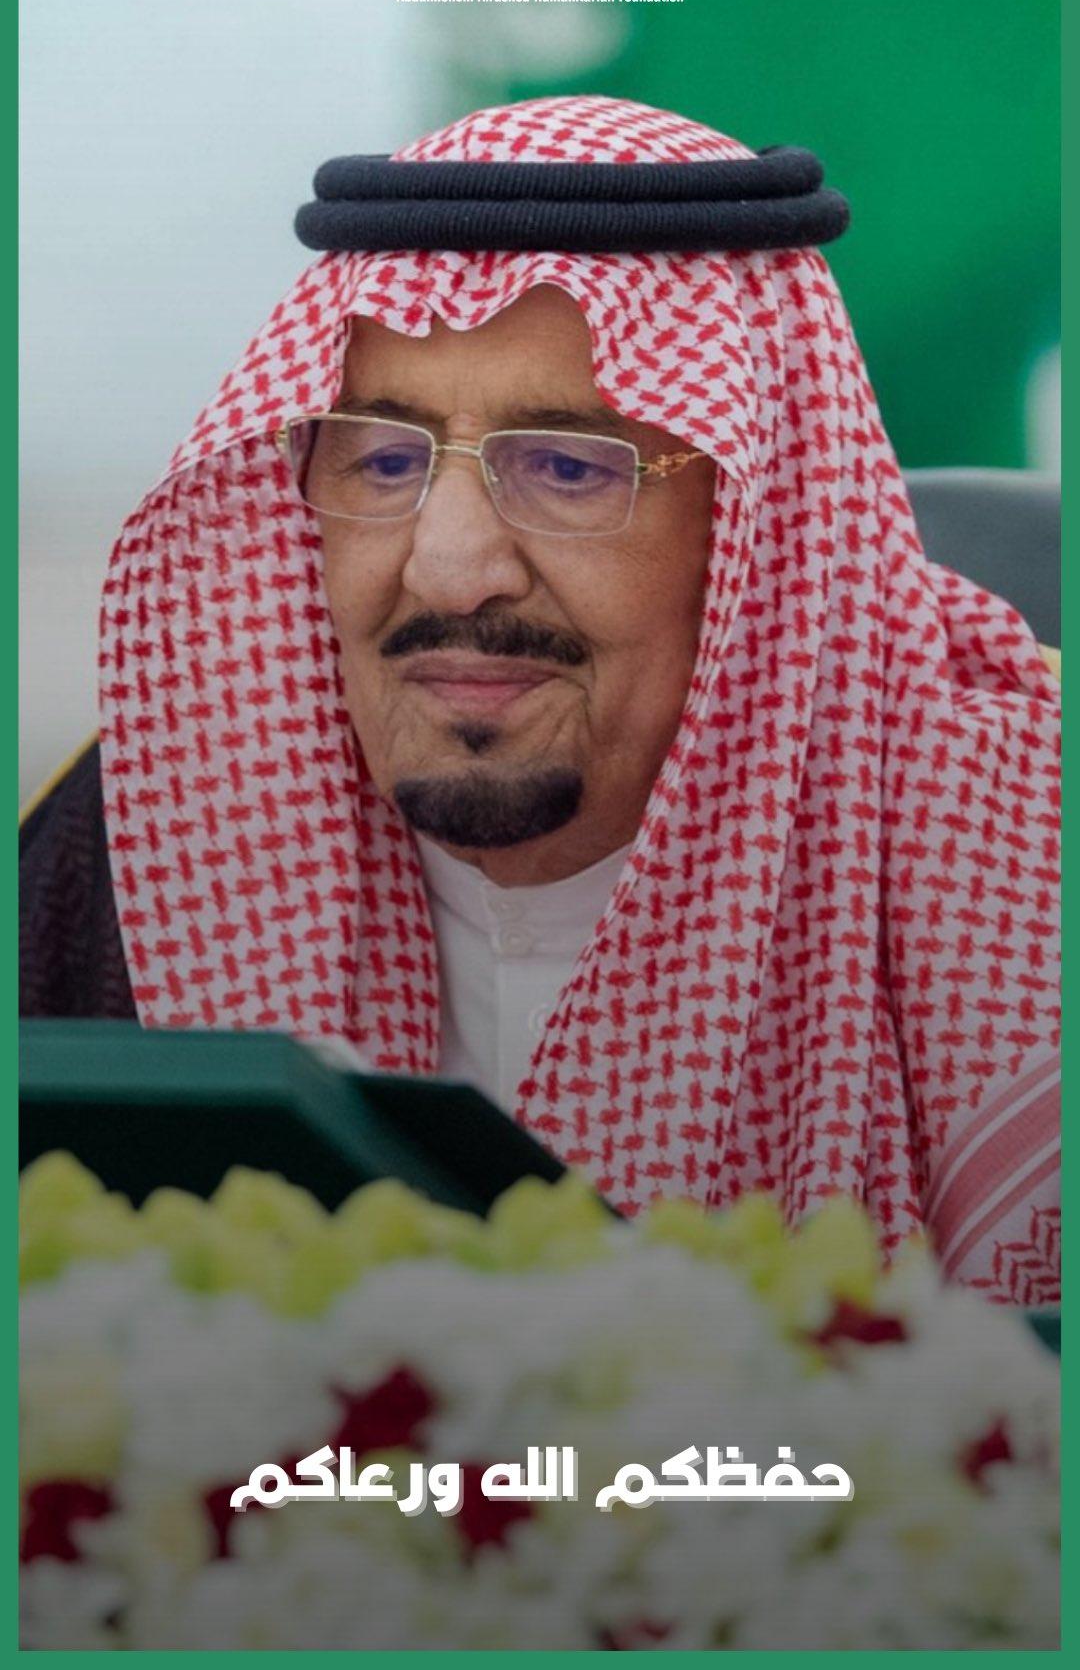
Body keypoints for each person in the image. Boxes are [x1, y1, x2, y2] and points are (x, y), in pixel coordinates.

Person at [20, 95, 1060, 1302]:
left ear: (760, 530)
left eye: (570, 467)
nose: (450, 567)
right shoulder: (130, 853)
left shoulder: (1034, 871)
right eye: (383, 461)